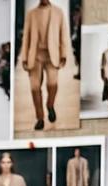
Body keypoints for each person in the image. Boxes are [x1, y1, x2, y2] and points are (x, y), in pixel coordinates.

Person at [20, 0, 70, 131]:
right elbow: (26, 37)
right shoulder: (31, 14)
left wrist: (64, 54)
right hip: (35, 55)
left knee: (52, 84)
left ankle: (50, 105)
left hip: (52, 55)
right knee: (35, 88)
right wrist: (24, 57)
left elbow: (63, 34)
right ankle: (40, 118)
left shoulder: (58, 12)